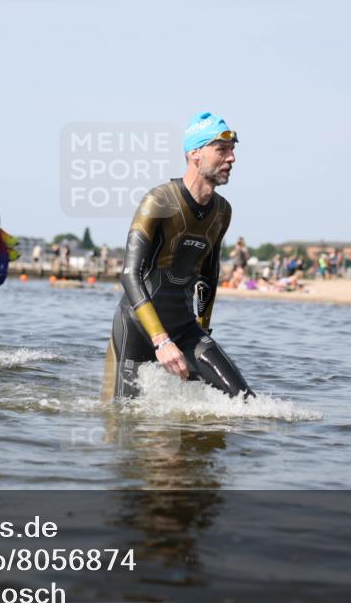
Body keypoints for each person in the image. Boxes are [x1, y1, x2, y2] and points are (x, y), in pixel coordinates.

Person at [101, 112, 255, 400]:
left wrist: (203, 328)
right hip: (137, 325)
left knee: (246, 403)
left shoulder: (222, 212)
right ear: (195, 154)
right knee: (123, 420)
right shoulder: (159, 200)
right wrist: (161, 342)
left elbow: (209, 274)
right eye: (222, 150)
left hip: (184, 327)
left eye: (233, 150)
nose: (232, 158)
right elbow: (129, 274)